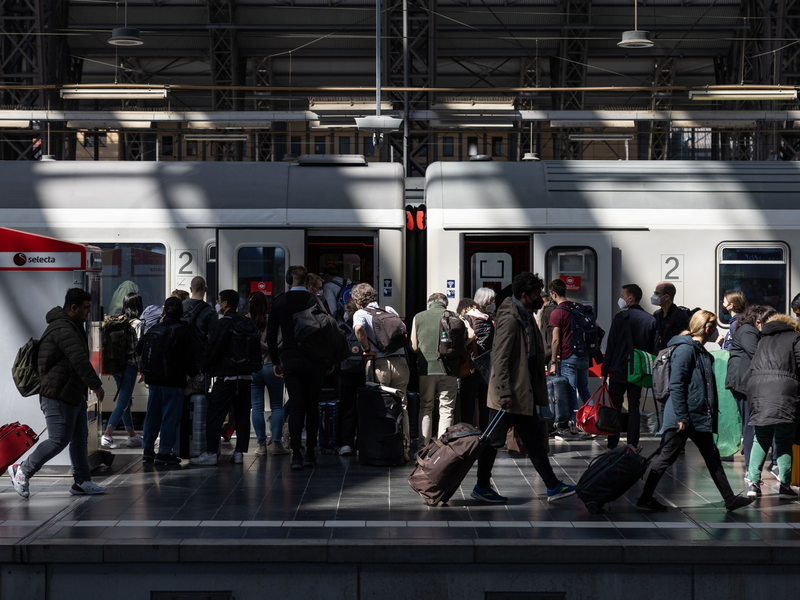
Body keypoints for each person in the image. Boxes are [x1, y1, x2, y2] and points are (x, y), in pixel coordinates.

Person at [472, 272, 577, 504]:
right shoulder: (511, 318)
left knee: (532, 440)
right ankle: (481, 486)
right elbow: (500, 357)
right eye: (536, 294)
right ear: (524, 295)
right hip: (509, 394)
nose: (540, 297)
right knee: (493, 441)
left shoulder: (524, 313)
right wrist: (504, 392)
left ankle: (552, 485)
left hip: (521, 390)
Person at [637, 310, 753, 512]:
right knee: (666, 457)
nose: (716, 330)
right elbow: (676, 384)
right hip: (684, 417)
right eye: (715, 326)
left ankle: (729, 499)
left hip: (697, 415)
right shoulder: (685, 349)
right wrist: (681, 416)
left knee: (712, 456)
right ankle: (645, 498)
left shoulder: (699, 351)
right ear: (707, 328)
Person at [9, 288, 107, 498]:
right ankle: (22, 470)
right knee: (58, 440)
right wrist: (96, 385)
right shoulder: (63, 329)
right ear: (73, 307)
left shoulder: (70, 326)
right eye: (86, 308)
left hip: (72, 393)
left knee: (80, 438)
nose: (88, 312)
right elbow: (79, 360)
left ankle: (82, 481)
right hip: (57, 395)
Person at [266, 266, 330, 471]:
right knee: (312, 407)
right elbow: (328, 329)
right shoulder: (315, 300)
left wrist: (276, 361)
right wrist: (329, 360)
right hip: (315, 360)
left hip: (290, 359)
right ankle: (311, 452)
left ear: (288, 279)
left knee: (296, 407)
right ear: (306, 280)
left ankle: (295, 454)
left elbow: (270, 336)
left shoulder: (279, 302)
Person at [190, 289, 254, 466]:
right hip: (246, 377)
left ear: (225, 304)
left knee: (215, 415)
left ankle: (211, 453)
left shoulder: (220, 325)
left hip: (226, 377)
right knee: (242, 416)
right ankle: (239, 452)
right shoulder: (247, 324)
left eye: (219, 301)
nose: (218, 304)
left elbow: (212, 350)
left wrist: (206, 367)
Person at [744, 312, 800, 500]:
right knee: (784, 438)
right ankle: (784, 486)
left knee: (762, 437)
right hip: (783, 389)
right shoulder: (795, 337)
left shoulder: (763, 339)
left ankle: (753, 483)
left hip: (757, 389)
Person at [352, 283, 411, 460]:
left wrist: (366, 348)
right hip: (400, 363)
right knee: (403, 405)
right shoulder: (389, 309)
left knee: (380, 406)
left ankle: (381, 448)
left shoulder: (360, 313)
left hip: (378, 364)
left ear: (357, 300)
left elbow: (358, 329)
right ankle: (404, 449)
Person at [141, 297, 198, 465]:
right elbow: (189, 358)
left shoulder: (156, 327)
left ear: (165, 310)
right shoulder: (182, 330)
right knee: (169, 416)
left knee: (152, 414)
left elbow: (140, 349)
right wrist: (194, 373)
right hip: (174, 381)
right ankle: (165, 451)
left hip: (153, 380)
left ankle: (148, 449)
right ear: (181, 311)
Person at [601, 284, 657, 450]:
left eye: (622, 295)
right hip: (638, 372)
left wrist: (605, 371)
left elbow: (610, 346)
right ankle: (632, 443)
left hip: (619, 369)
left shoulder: (620, 317)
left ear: (630, 298)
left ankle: (612, 442)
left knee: (615, 407)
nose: (621, 297)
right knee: (634, 407)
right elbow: (654, 350)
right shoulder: (651, 320)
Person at [725, 304, 776, 479]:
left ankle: (752, 466)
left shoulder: (748, 329)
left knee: (751, 424)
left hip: (745, 381)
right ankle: (750, 467)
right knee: (750, 425)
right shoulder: (748, 331)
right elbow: (757, 353)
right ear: (758, 320)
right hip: (743, 383)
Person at [411, 292, 459, 448]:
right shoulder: (454, 316)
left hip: (427, 368)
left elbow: (414, 346)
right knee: (446, 408)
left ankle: (423, 445)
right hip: (449, 369)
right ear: (445, 304)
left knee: (426, 406)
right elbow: (470, 335)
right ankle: (442, 447)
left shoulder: (418, 317)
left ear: (429, 303)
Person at [547, 278, 591, 435]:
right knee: (584, 390)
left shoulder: (557, 312)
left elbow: (556, 339)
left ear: (553, 293)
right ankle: (591, 421)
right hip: (583, 355)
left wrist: (553, 361)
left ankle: (575, 425)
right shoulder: (579, 307)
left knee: (571, 390)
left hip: (568, 356)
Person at [248, 291, 289, 457]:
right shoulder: (274, 319)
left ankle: (261, 444)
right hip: (273, 366)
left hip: (253, 367)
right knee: (277, 405)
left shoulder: (246, 321)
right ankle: (277, 443)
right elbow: (281, 342)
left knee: (256, 407)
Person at [101, 292, 144, 450]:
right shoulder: (137, 323)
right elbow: (138, 350)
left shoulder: (119, 321)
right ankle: (108, 434)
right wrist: (143, 369)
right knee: (123, 401)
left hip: (115, 366)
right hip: (129, 367)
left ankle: (132, 436)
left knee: (126, 400)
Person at [459, 298, 494, 429]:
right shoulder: (488, 319)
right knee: (485, 403)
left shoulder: (467, 319)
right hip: (486, 365)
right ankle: (485, 433)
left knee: (467, 403)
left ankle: (467, 432)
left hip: (471, 365)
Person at [338, 299, 365, 456]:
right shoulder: (364, 327)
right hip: (362, 371)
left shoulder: (342, 327)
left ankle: (346, 443)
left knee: (347, 407)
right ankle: (361, 443)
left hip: (345, 371)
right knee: (362, 407)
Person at [652, 282, 690, 353]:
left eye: (657, 293)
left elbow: (684, 340)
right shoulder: (657, 314)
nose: (654, 296)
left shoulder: (681, 316)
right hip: (659, 357)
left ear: (666, 297)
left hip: (672, 356)